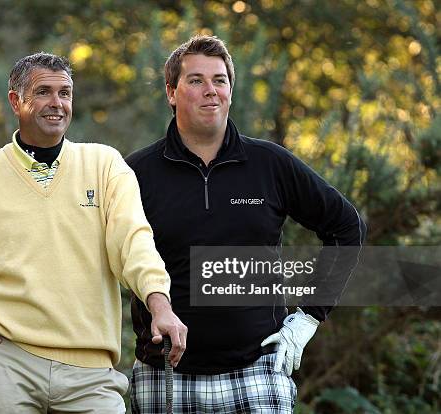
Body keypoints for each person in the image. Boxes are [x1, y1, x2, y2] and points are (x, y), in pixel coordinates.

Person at [0, 52, 187, 414]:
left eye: (65, 93)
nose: (57, 103)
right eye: (43, 92)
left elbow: (133, 243)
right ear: (16, 100)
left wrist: (160, 304)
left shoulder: (105, 166)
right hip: (4, 364)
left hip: (90, 372)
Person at [127, 36, 366, 413]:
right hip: (164, 375)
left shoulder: (269, 164)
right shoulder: (135, 173)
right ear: (171, 92)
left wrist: (307, 318)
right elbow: (96, 255)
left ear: (231, 92)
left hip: (257, 373)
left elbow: (346, 228)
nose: (211, 91)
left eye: (220, 81)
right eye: (196, 81)